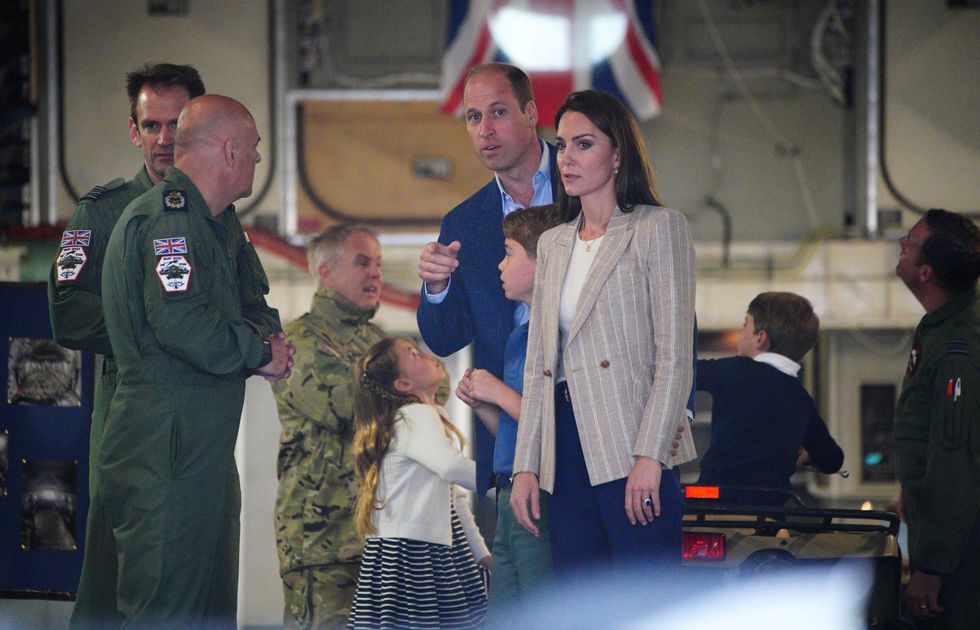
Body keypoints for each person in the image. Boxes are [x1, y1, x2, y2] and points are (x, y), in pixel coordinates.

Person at [100, 94, 293, 627]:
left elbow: (254, 305)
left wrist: (265, 342)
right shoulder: (169, 223)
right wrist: (258, 352)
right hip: (163, 448)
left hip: (198, 449)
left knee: (207, 612)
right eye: (253, 148)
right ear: (229, 150)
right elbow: (183, 324)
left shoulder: (218, 223)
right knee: (165, 611)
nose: (257, 159)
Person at [509, 90, 696, 578]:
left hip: (631, 445)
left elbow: (675, 358)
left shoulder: (659, 228)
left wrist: (650, 456)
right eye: (562, 144)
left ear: (617, 156)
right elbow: (538, 368)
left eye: (583, 144)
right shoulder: (552, 243)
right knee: (581, 604)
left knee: (644, 605)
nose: (566, 158)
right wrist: (525, 465)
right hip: (566, 451)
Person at [46, 62, 206, 628]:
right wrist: (159, 334)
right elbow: (68, 313)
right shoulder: (105, 212)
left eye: (177, 125)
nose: (164, 140)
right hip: (131, 412)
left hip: (202, 427)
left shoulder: (217, 218)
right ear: (134, 131)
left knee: (200, 577)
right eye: (152, 125)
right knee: (120, 575)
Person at [417, 63, 557, 493]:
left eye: (498, 112)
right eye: (474, 118)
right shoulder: (463, 222)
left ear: (531, 112)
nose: (485, 130)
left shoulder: (587, 189)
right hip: (507, 436)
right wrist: (437, 289)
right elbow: (445, 340)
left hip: (591, 409)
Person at [272, 224, 386, 629]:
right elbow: (341, 407)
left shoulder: (377, 340)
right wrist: (405, 390)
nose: (375, 273)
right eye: (362, 263)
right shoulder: (299, 340)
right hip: (323, 540)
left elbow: (436, 390)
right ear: (326, 272)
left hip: (378, 539)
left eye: (377, 264)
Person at [455, 204, 564, 619]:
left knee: (539, 609)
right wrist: (485, 406)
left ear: (543, 262)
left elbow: (557, 420)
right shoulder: (519, 337)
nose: (501, 264)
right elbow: (518, 429)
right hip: (507, 487)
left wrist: (498, 392)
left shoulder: (559, 334)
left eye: (510, 253)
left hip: (541, 492)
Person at [347, 337, 491, 629]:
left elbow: (454, 499)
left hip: (416, 549)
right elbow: (452, 468)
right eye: (414, 354)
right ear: (403, 385)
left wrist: (480, 552)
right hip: (415, 555)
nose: (426, 354)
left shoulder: (420, 418)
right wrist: (506, 478)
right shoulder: (415, 415)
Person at [893, 209, 979, 629]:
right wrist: (910, 491)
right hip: (944, 536)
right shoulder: (941, 328)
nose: (900, 246)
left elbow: (955, 460)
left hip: (961, 565)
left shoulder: (956, 351)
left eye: (908, 243)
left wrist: (931, 570)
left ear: (925, 273)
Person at [695, 292, 844, 504]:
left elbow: (682, 374)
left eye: (745, 326)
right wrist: (809, 455)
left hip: (716, 498)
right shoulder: (800, 399)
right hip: (770, 509)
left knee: (687, 496)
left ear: (760, 338)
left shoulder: (734, 371)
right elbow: (833, 459)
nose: (740, 334)